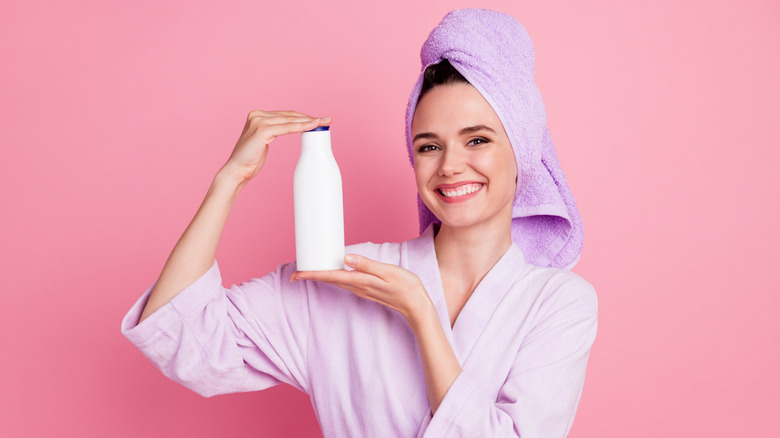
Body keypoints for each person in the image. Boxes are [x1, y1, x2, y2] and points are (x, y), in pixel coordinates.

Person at [122, 8, 597, 438]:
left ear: (523, 152)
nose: (450, 165)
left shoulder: (558, 303)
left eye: (477, 140)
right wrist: (228, 181)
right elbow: (188, 337)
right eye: (429, 146)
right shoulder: (348, 275)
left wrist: (420, 311)